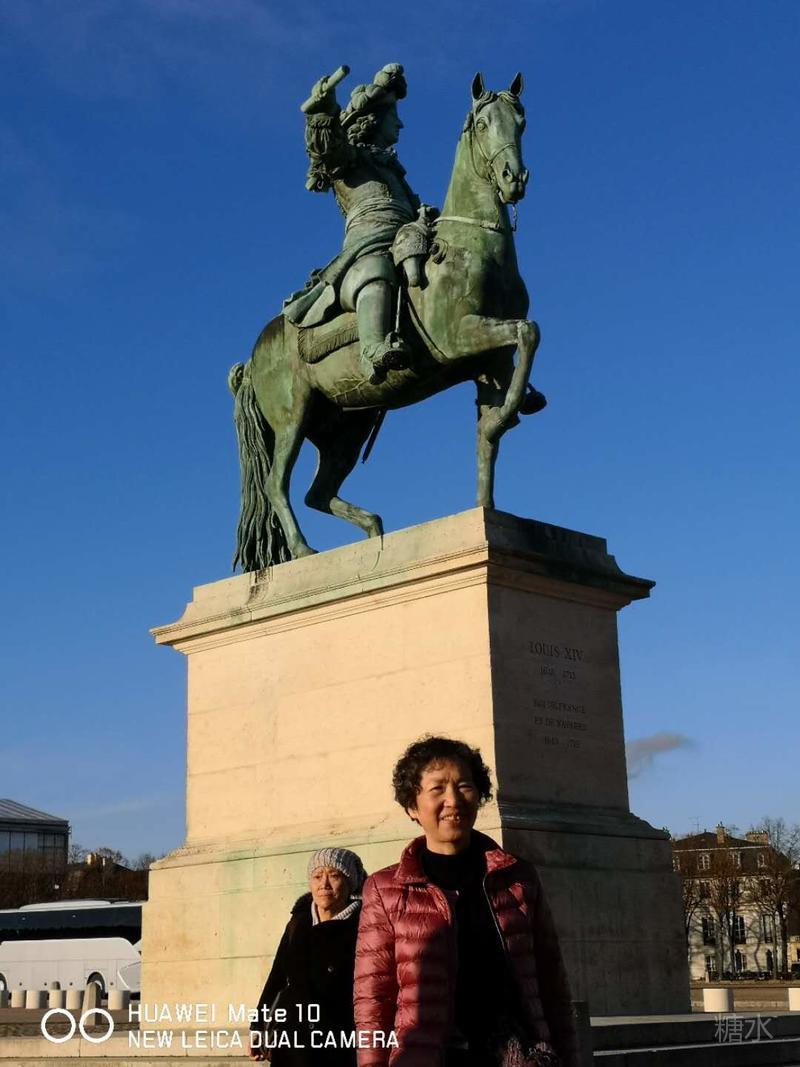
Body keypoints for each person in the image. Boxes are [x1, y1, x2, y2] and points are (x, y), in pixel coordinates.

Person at [354, 737, 579, 1067]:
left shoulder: (519, 878)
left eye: (464, 786)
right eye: (437, 789)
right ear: (412, 807)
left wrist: (569, 1056)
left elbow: (551, 983)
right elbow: (373, 998)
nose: (453, 800)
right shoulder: (385, 889)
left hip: (515, 1055)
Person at [283, 63, 432, 383]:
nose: (400, 124)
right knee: (375, 270)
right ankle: (373, 349)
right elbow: (326, 148)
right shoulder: (348, 159)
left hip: (407, 235)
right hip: (369, 243)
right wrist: (323, 111)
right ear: (373, 120)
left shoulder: (392, 169)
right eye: (394, 117)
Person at [250, 847, 367, 1065]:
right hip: (292, 1042)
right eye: (317, 876)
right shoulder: (298, 924)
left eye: (334, 875)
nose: (324, 884)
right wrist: (257, 1026)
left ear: (350, 882)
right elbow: (277, 978)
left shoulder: (364, 925)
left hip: (339, 1044)